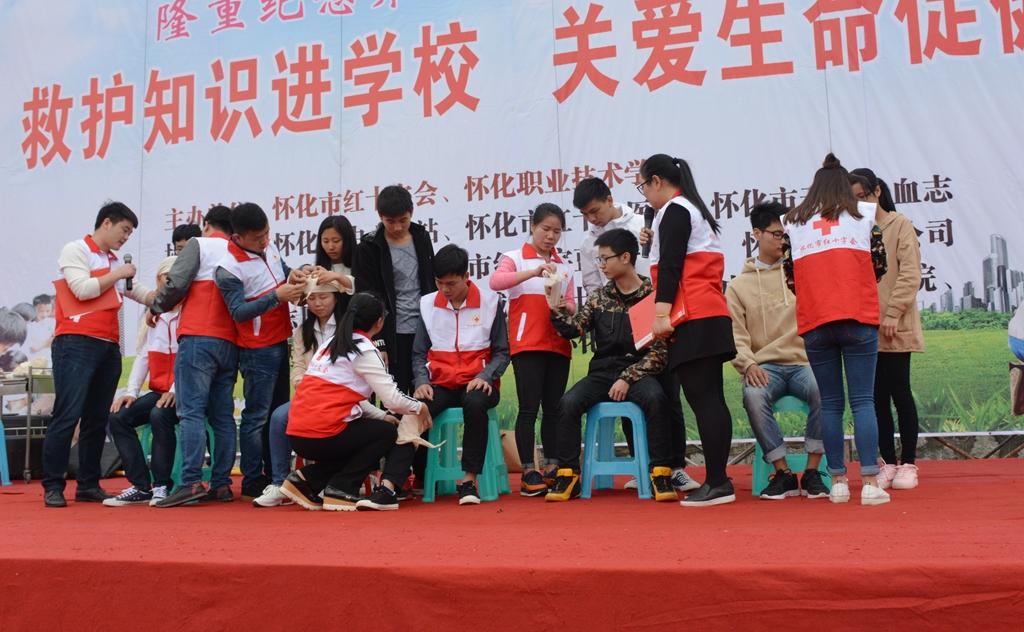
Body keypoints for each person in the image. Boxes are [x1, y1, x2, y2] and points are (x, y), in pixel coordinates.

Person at [363, 245, 510, 510]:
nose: (444, 289)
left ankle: (469, 481)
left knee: (475, 403)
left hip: (478, 384)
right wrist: (421, 381)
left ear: (466, 276)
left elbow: (502, 352)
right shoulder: (428, 304)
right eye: (439, 283)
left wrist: (486, 376)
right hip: (440, 384)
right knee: (413, 410)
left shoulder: (490, 302)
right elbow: (419, 353)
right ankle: (389, 487)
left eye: (451, 283)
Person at [574, 177, 696, 493]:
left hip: (654, 308)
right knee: (629, 389)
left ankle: (674, 467)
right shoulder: (588, 244)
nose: (592, 219)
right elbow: (592, 285)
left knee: (666, 393)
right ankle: (642, 464)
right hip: (617, 317)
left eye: (595, 211)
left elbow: (667, 262)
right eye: (585, 215)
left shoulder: (644, 222)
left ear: (609, 199)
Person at [782, 153, 889, 506]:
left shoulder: (793, 223)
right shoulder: (864, 218)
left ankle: (838, 482)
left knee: (830, 404)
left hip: (816, 321)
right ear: (845, 186)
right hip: (858, 317)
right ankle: (870, 482)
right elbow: (879, 265)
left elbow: (790, 277)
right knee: (863, 401)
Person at [545, 229, 678, 502]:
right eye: (599, 260)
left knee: (656, 399)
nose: (601, 266)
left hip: (639, 371)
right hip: (603, 371)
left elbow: (659, 353)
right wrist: (555, 307)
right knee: (568, 403)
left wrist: (627, 378)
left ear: (625, 257)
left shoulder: (652, 296)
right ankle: (568, 475)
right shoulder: (599, 297)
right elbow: (574, 329)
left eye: (605, 259)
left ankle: (660, 473)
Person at [638, 154, 737, 508]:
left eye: (643, 186)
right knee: (710, 399)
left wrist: (660, 313)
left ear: (657, 181)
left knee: (705, 400)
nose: (645, 194)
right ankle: (718, 480)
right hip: (708, 313)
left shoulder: (676, 210)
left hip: (694, 315)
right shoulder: (688, 209)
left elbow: (671, 266)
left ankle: (718, 482)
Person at [42, 201, 153, 508]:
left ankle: (88, 484)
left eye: (129, 234)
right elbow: (82, 289)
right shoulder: (77, 250)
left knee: (96, 418)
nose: (125, 238)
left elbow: (138, 291)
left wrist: (162, 296)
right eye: (124, 230)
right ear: (106, 223)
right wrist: (117, 274)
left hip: (107, 345)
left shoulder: (114, 263)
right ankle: (53, 484)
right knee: (68, 414)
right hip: (75, 342)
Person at [281, 293, 430, 511]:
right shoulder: (365, 350)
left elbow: (348, 394)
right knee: (385, 434)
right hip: (321, 433)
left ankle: (307, 480)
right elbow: (393, 400)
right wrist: (420, 407)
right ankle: (340, 488)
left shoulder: (331, 343)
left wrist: (381, 415)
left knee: (370, 433)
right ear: (379, 322)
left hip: (297, 434)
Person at [726, 202, 828, 501]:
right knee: (753, 395)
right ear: (756, 234)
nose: (783, 241)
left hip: (803, 362)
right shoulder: (738, 286)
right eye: (777, 234)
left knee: (827, 389)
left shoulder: (803, 273)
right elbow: (735, 336)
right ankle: (782, 473)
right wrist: (748, 364)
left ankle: (812, 471)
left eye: (787, 235)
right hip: (764, 366)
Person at [148, 206, 240, 508]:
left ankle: (189, 483)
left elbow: (176, 282)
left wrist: (156, 306)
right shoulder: (240, 251)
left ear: (207, 225)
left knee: (191, 413)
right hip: (230, 341)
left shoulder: (200, 244)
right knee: (222, 417)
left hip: (198, 336)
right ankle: (222, 484)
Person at [215, 203, 306, 501]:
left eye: (267, 234)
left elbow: (283, 272)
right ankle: (253, 479)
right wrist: (277, 296)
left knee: (279, 414)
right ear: (238, 237)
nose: (265, 241)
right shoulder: (228, 267)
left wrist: (297, 276)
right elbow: (238, 312)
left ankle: (276, 474)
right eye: (257, 238)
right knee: (256, 417)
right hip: (256, 349)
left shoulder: (269, 247)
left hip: (280, 339)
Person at [490, 203, 576, 496]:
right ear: (533, 227)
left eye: (557, 231)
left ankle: (552, 465)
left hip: (558, 344)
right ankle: (529, 470)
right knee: (529, 408)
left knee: (554, 409)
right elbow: (496, 282)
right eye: (545, 229)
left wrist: (566, 306)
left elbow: (572, 303)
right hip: (527, 343)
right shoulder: (514, 258)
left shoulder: (564, 266)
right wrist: (534, 272)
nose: (551, 236)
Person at [851, 168, 924, 491]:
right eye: (852, 199)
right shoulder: (854, 230)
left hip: (895, 326)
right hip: (864, 326)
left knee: (900, 393)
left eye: (863, 196)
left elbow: (910, 274)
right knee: (875, 398)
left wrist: (893, 312)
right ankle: (887, 462)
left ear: (877, 191)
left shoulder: (899, 224)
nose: (860, 203)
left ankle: (908, 463)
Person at [253, 283, 345, 508]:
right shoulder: (303, 331)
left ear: (336, 297)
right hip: (310, 395)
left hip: (341, 396)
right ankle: (280, 483)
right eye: (312, 299)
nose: (318, 303)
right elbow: (298, 367)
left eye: (324, 297)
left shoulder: (347, 328)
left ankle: (328, 480)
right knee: (278, 417)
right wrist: (304, 385)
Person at [104, 257, 181, 506]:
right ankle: (140, 485)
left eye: (176, 280)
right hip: (159, 392)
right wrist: (132, 392)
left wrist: (175, 390)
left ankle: (161, 485)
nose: (170, 285)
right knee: (118, 417)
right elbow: (144, 356)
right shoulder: (153, 317)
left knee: (160, 415)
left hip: (186, 392)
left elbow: (192, 361)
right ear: (157, 281)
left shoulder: (191, 314)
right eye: (165, 279)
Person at [353, 185, 436, 396]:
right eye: (390, 221)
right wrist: (379, 341)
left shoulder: (422, 237)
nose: (397, 227)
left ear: (411, 213)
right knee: (395, 396)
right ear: (380, 217)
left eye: (403, 220)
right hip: (391, 333)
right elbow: (368, 298)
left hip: (425, 329)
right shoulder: (370, 247)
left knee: (425, 395)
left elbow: (431, 283)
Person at [312, 215, 357, 300]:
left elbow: (362, 286)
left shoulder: (361, 263)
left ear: (347, 240)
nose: (331, 247)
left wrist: (338, 277)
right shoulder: (317, 269)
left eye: (336, 241)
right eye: (325, 241)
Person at [24, 294, 55, 365]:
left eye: (48, 311)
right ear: (34, 309)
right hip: (35, 361)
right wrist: (47, 342)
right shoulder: (29, 326)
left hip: (50, 359)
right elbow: (33, 348)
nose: (44, 315)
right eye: (40, 311)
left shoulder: (52, 322)